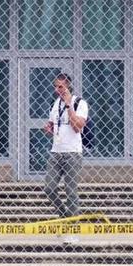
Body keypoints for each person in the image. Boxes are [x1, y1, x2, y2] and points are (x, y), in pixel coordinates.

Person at [42, 73, 89, 241]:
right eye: (55, 86)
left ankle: (73, 230)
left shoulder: (80, 103)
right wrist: (49, 128)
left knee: (70, 191)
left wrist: (69, 106)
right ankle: (65, 217)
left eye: (60, 86)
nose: (57, 90)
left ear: (68, 86)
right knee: (49, 188)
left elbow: (77, 128)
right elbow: (54, 125)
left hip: (72, 153)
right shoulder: (55, 103)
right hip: (56, 151)